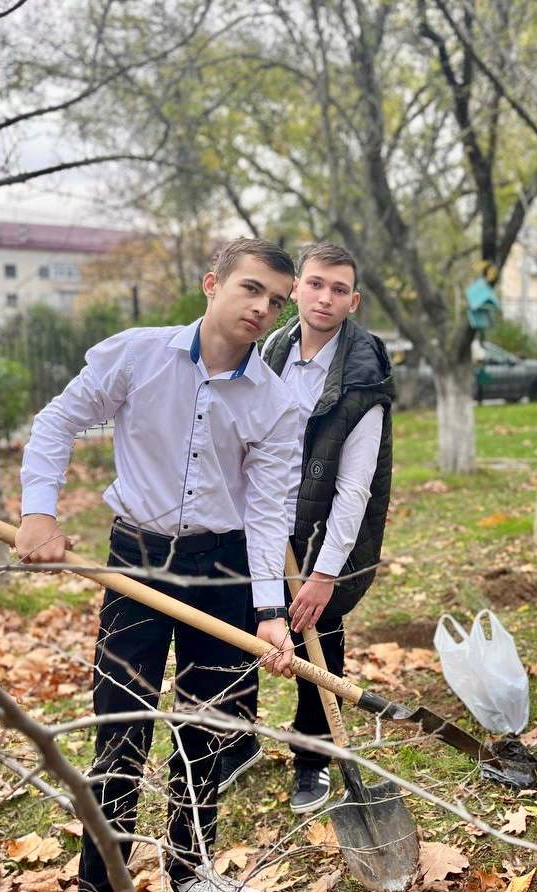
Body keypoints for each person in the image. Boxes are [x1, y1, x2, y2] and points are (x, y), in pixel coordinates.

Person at [16, 238, 300, 892]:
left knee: (211, 731)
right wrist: (39, 513)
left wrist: (270, 611)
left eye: (276, 300)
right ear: (213, 284)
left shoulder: (274, 401)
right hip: (135, 566)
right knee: (122, 731)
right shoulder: (136, 356)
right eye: (252, 289)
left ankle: (190, 873)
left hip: (223, 567)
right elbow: (55, 423)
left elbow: (268, 513)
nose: (263, 308)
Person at [218, 242, 395, 814]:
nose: (325, 297)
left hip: (321, 526)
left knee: (317, 637)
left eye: (338, 289)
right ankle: (235, 741)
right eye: (315, 284)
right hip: (258, 513)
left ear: (353, 301)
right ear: (295, 289)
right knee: (240, 624)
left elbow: (355, 488)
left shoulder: (363, 375)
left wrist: (323, 574)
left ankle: (314, 759)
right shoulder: (268, 349)